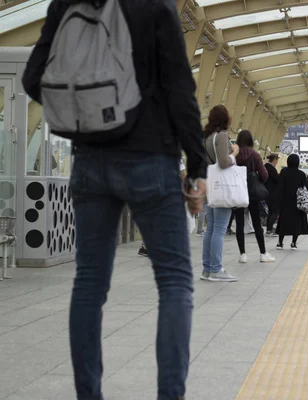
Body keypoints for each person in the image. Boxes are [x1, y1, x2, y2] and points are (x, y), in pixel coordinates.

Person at [22, 0, 207, 399]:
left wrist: (85, 115)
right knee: (174, 282)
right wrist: (196, 168)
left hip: (89, 161)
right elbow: (180, 89)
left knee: (89, 285)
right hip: (152, 158)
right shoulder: (156, 6)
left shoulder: (66, 3)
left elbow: (32, 78)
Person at [202, 105, 239, 282]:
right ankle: (216, 269)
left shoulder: (207, 137)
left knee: (210, 229)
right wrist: (235, 154)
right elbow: (224, 162)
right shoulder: (222, 136)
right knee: (219, 230)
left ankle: (207, 269)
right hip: (222, 188)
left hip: (210, 186)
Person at [233, 130, 276, 263]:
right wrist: (257, 179)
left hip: (238, 191)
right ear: (251, 140)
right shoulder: (255, 155)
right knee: (257, 222)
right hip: (252, 192)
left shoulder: (234, 155)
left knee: (239, 223)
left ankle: (243, 254)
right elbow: (264, 175)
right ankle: (263, 253)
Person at [276, 154, 308, 250]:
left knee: (283, 222)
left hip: (285, 202)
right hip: (297, 202)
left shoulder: (284, 172)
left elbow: (279, 187)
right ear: (297, 162)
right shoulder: (301, 174)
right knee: (296, 223)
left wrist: (278, 201)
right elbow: (307, 188)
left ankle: (280, 243)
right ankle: (293, 243)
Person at [264, 154, 280, 236]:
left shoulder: (265, 167)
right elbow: (277, 179)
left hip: (267, 192)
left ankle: (268, 230)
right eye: (277, 159)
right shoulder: (271, 168)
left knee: (271, 211)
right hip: (272, 193)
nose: (277, 161)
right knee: (275, 211)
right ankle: (269, 230)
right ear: (274, 159)